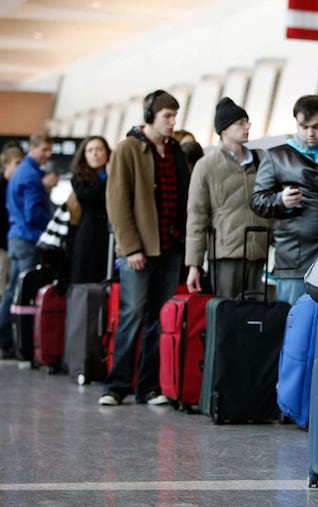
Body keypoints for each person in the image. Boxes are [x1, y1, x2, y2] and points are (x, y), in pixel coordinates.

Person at [99, 89, 189, 406]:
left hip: (170, 246)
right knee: (132, 314)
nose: (172, 122)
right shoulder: (127, 149)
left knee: (158, 318)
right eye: (167, 116)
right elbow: (118, 203)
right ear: (150, 115)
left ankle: (148, 387)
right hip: (139, 250)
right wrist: (131, 247)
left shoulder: (174, 150)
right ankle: (115, 385)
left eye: (175, 116)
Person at [250, 94, 318, 305]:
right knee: (296, 326)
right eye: (303, 127)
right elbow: (257, 200)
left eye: (316, 126)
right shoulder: (277, 157)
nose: (309, 133)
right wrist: (280, 201)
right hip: (296, 259)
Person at [185, 97, 271, 298]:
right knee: (227, 315)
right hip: (225, 253)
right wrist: (194, 265)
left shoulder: (262, 159)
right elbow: (197, 217)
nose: (247, 126)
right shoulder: (206, 166)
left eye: (247, 121)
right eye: (240, 123)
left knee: (257, 318)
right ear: (224, 129)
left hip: (259, 249)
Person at [0, 133, 58, 359]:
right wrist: (52, 225)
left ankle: (8, 338)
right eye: (44, 150)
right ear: (32, 149)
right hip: (27, 239)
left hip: (17, 237)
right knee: (20, 292)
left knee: (13, 291)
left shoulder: (25, 173)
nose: (48, 154)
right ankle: (9, 339)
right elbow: (33, 213)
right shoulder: (30, 176)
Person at [69, 136, 111, 284]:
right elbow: (90, 197)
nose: (95, 154)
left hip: (112, 233)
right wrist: (109, 178)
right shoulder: (78, 178)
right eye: (90, 150)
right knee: (87, 280)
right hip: (89, 234)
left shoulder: (117, 175)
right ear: (84, 155)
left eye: (99, 149)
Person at [0, 143, 24, 299]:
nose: (20, 167)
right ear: (6, 164)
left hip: (11, 243)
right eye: (17, 163)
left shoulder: (16, 186)